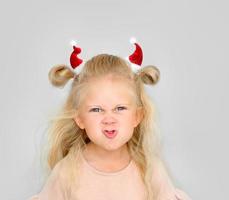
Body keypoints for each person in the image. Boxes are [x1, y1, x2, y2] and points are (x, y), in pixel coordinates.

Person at [28, 39, 191, 200]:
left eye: (120, 108)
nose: (109, 119)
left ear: (137, 116)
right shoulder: (66, 172)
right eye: (96, 109)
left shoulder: (150, 169)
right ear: (79, 119)